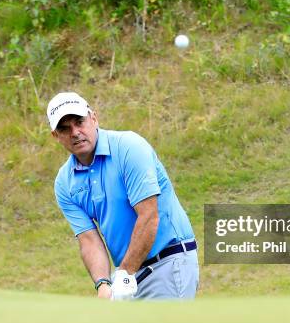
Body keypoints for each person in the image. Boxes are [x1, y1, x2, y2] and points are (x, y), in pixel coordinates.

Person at [48, 92, 199, 300]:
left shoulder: (129, 147)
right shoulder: (65, 182)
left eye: (80, 122)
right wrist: (103, 284)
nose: (75, 132)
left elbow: (148, 216)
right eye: (64, 128)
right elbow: (89, 239)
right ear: (55, 136)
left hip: (167, 261)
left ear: (94, 118)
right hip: (129, 274)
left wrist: (125, 275)